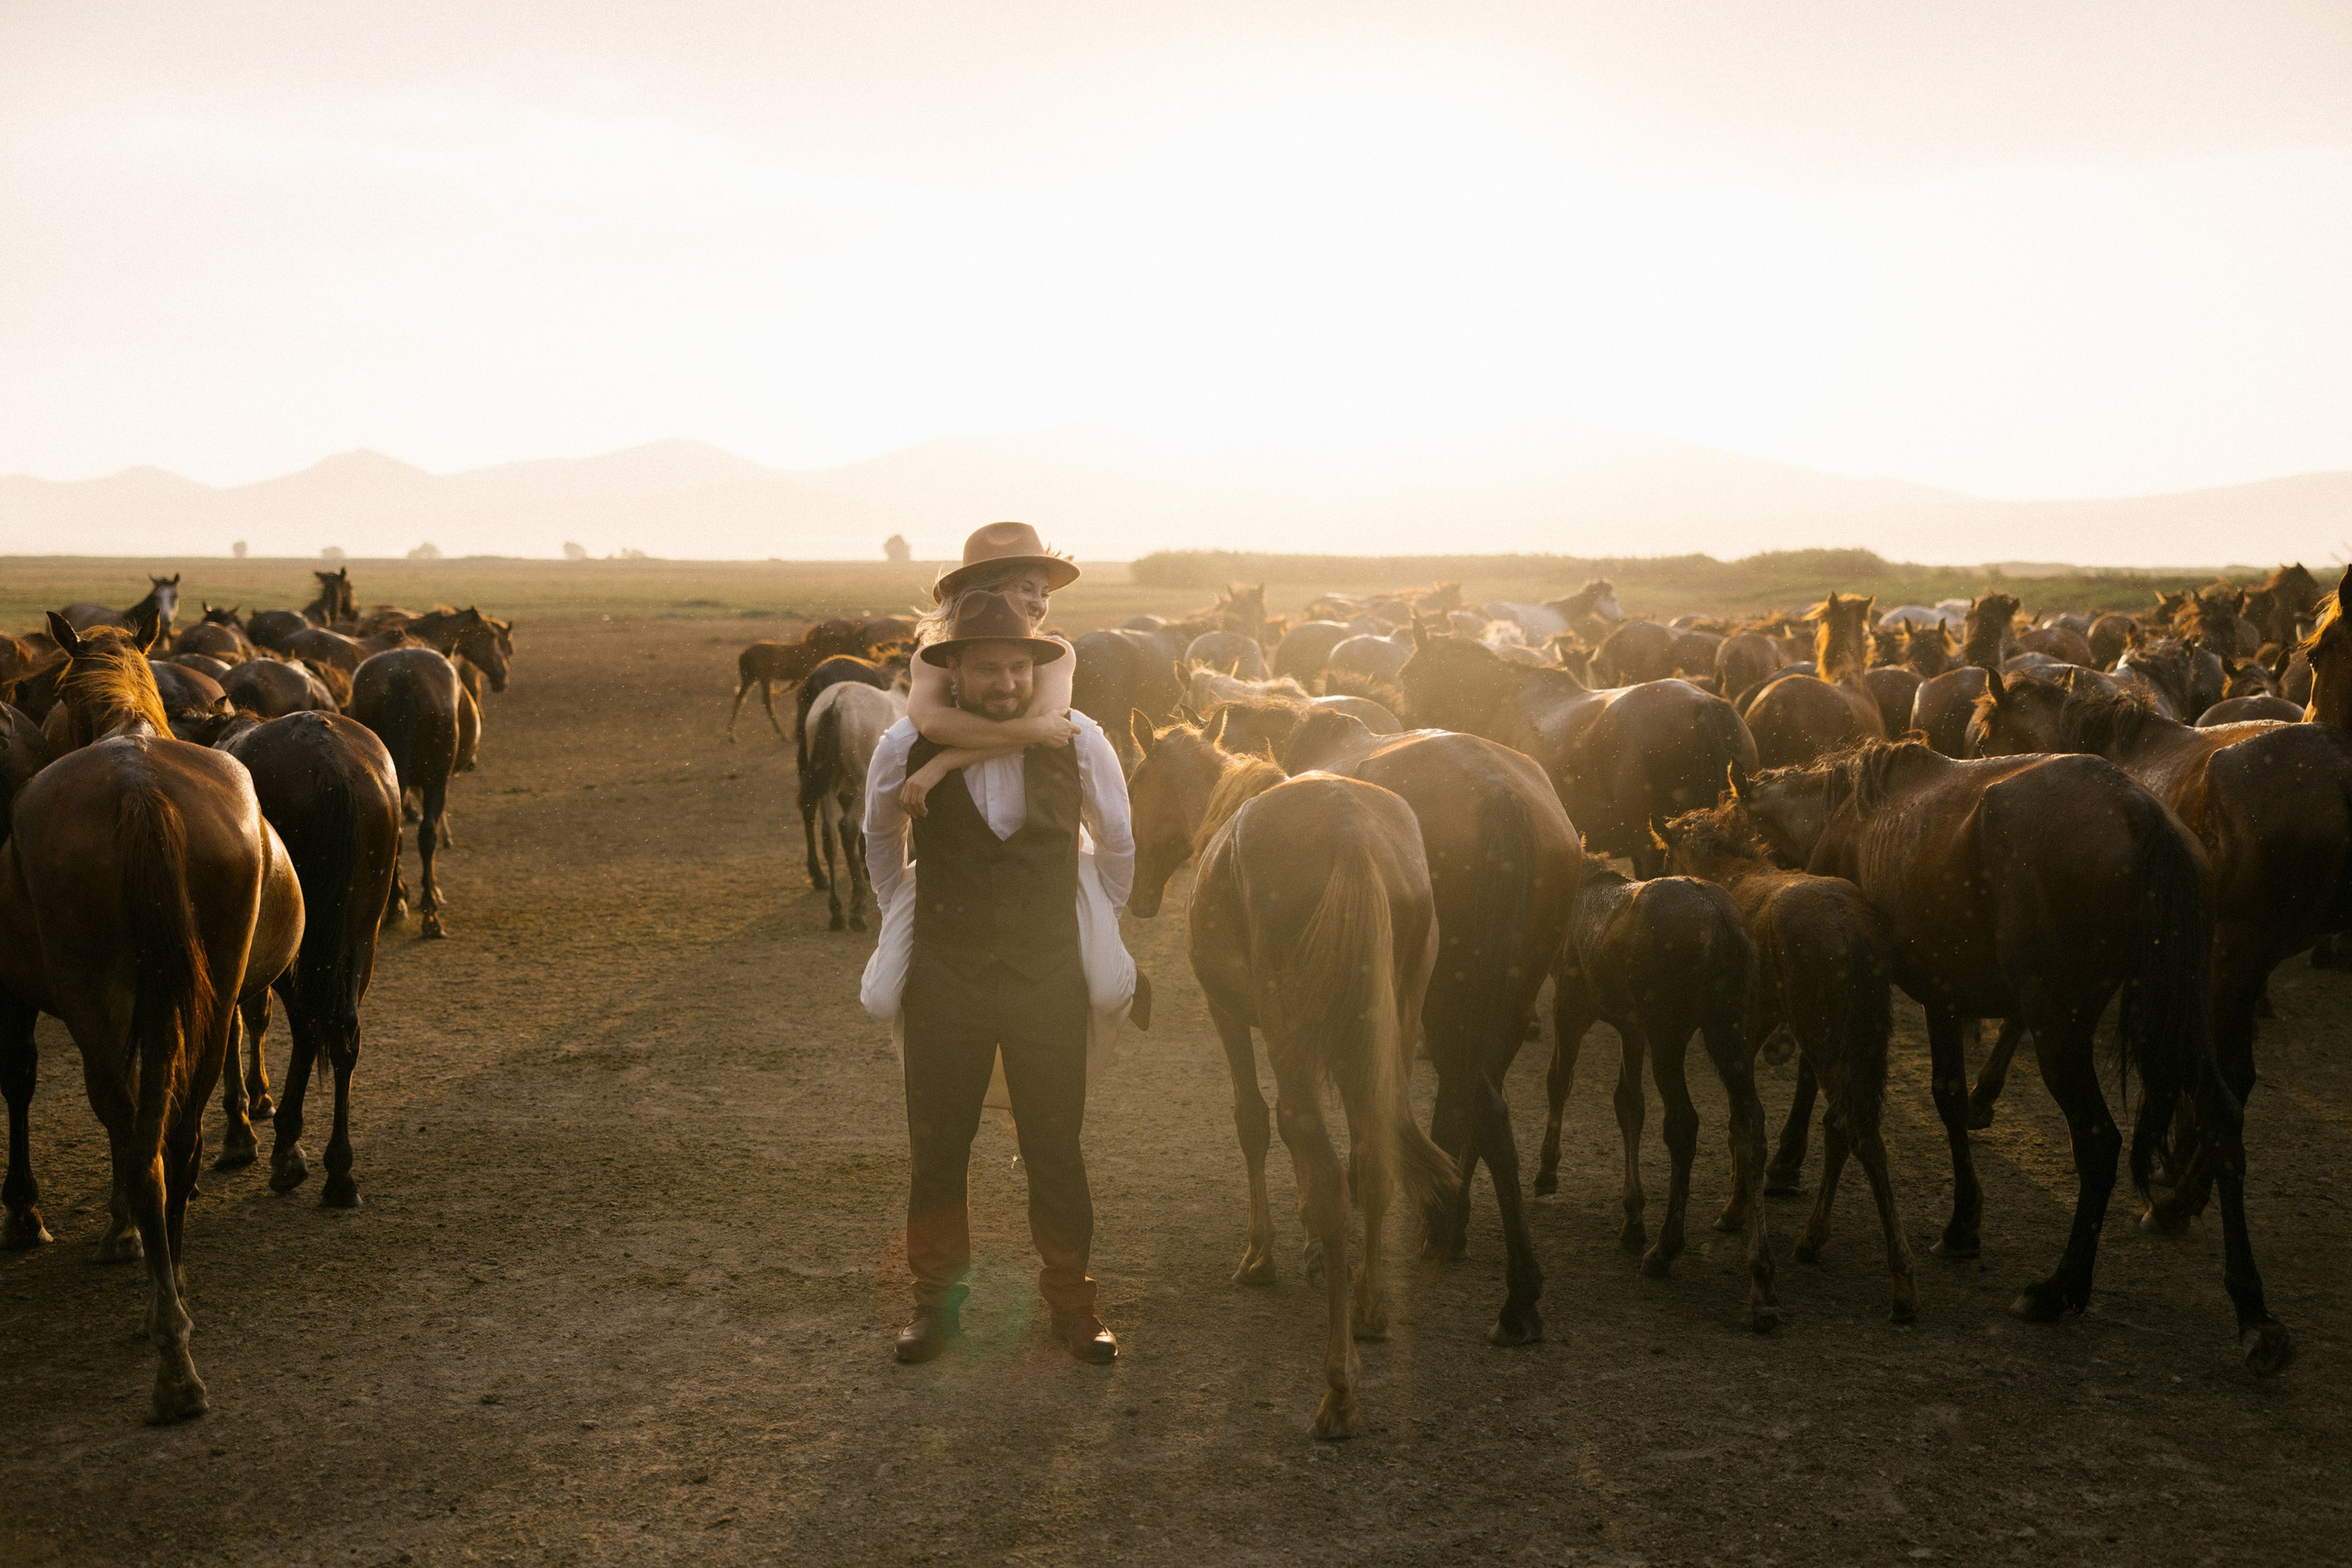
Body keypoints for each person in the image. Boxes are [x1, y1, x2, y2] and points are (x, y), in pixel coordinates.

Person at [861, 587, 1134, 1365]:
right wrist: (903, 906)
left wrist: (1089, 915)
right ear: (954, 671)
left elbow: (1118, 841)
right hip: (947, 976)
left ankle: (1074, 1303)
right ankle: (934, 1307)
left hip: (1046, 975)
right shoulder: (904, 745)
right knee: (938, 1149)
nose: (1007, 682)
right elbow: (879, 836)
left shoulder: (1080, 741)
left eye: (1019, 666)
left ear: (1035, 667)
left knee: (1055, 1146)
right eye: (989, 668)